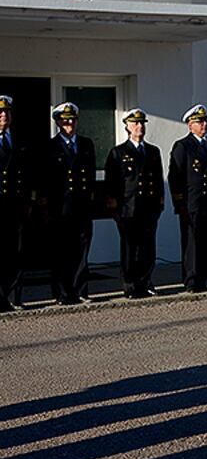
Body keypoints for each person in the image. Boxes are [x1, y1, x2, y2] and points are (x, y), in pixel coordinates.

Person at [104, 108, 165, 299]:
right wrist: (115, 209)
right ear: (127, 127)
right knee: (130, 249)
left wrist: (159, 204)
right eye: (135, 124)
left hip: (148, 208)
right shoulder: (118, 152)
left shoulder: (153, 151)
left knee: (148, 248)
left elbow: (158, 180)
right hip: (128, 208)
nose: (140, 127)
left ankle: (146, 282)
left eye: (142, 123)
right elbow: (112, 183)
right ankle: (130, 285)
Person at [43, 102, 96, 305]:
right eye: (65, 121)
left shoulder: (86, 144)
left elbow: (90, 176)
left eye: (72, 120)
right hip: (60, 208)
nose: (70, 124)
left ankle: (81, 290)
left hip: (82, 206)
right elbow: (47, 180)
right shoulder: (51, 146)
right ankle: (62, 293)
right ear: (58, 123)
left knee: (81, 250)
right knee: (61, 252)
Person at [168, 104, 207, 294]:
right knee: (192, 243)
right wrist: (180, 203)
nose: (204, 124)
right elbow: (175, 177)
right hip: (192, 203)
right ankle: (192, 280)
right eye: (199, 121)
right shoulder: (183, 146)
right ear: (190, 125)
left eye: (205, 121)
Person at [0, 96, 30, 311]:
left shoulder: (19, 143)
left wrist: (30, 201)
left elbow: (28, 176)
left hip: (16, 206)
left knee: (15, 253)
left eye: (7, 112)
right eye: (0, 112)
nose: (4, 116)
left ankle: (13, 296)